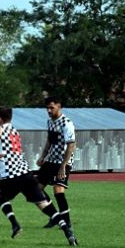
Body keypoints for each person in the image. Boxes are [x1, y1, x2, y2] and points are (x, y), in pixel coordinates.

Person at [0, 107, 77, 245]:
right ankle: (67, 231)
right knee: (43, 204)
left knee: (0, 195)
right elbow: (7, 155)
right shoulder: (14, 132)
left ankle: (15, 224)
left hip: (11, 175)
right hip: (26, 174)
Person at [37, 96, 76, 229]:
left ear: (59, 106)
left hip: (63, 161)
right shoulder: (49, 122)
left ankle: (67, 222)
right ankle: (55, 217)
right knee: (37, 189)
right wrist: (43, 156)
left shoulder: (66, 123)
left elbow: (71, 145)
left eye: (51, 107)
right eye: (47, 108)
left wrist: (63, 167)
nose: (49, 110)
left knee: (58, 190)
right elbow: (49, 140)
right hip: (51, 159)